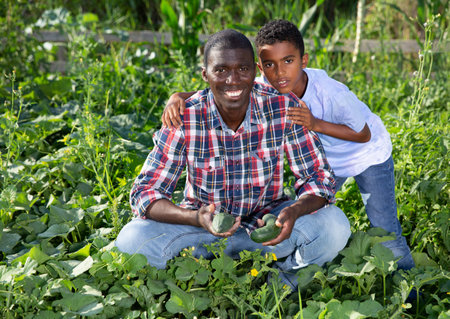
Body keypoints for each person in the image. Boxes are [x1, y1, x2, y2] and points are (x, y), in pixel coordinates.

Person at [161, 20, 414, 270]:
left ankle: (409, 288)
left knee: (384, 229)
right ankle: (311, 265)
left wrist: (314, 123)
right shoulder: (262, 84)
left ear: (303, 61)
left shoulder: (332, 94)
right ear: (259, 68)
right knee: (317, 213)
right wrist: (176, 98)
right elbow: (219, 88)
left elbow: (363, 134)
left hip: (367, 155)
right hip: (327, 160)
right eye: (270, 65)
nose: (279, 73)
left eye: (288, 62)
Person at [116, 29, 351, 290]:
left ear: (255, 71)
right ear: (205, 75)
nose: (233, 80)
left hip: (266, 228)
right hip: (201, 230)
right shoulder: (185, 117)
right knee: (130, 240)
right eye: (221, 70)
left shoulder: (283, 107)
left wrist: (294, 211)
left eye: (242, 69)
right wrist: (195, 218)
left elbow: (317, 176)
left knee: (336, 225)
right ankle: (200, 275)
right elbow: (145, 192)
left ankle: (280, 282)